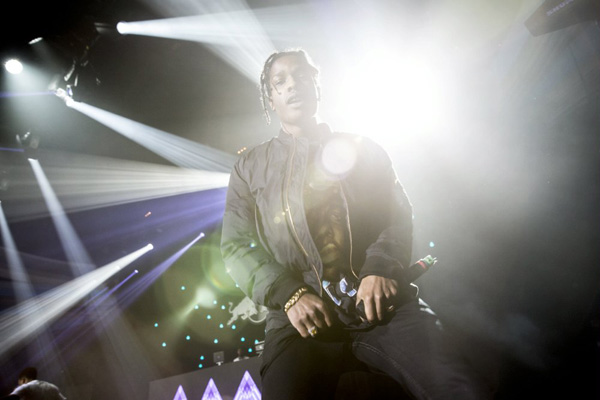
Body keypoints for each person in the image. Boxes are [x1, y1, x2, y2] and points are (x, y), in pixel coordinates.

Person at [221, 48, 491, 399]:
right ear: (270, 99)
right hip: (298, 321)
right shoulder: (249, 167)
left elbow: (395, 214)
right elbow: (237, 246)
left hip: (382, 308)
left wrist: (379, 267)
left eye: (301, 76)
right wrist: (290, 295)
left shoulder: (365, 149)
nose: (292, 85)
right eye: (280, 81)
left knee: (458, 386)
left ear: (317, 86)